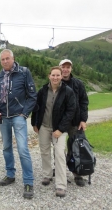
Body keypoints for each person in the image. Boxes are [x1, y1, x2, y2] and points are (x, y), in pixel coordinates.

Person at [0, 49, 37, 199]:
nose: (5, 61)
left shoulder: (24, 72)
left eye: (7, 58)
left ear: (13, 58)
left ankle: (28, 182)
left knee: (23, 149)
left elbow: (32, 96)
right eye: (2, 59)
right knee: (6, 147)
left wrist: (25, 113)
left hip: (18, 116)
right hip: (3, 117)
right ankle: (10, 174)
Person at [31, 66, 76, 197]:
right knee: (44, 151)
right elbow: (36, 108)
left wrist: (61, 129)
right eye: (53, 75)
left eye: (58, 75)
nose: (55, 77)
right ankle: (47, 175)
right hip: (44, 126)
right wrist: (35, 123)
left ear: (62, 76)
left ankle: (61, 185)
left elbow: (70, 112)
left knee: (60, 154)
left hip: (59, 129)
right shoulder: (43, 90)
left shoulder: (68, 92)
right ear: (49, 76)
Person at [59, 59, 89, 187]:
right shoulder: (55, 81)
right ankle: (59, 171)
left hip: (75, 122)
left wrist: (83, 119)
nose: (65, 69)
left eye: (68, 67)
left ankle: (77, 173)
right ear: (59, 68)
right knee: (59, 149)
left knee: (76, 148)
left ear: (71, 69)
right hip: (59, 122)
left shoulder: (78, 84)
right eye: (63, 67)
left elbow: (84, 102)